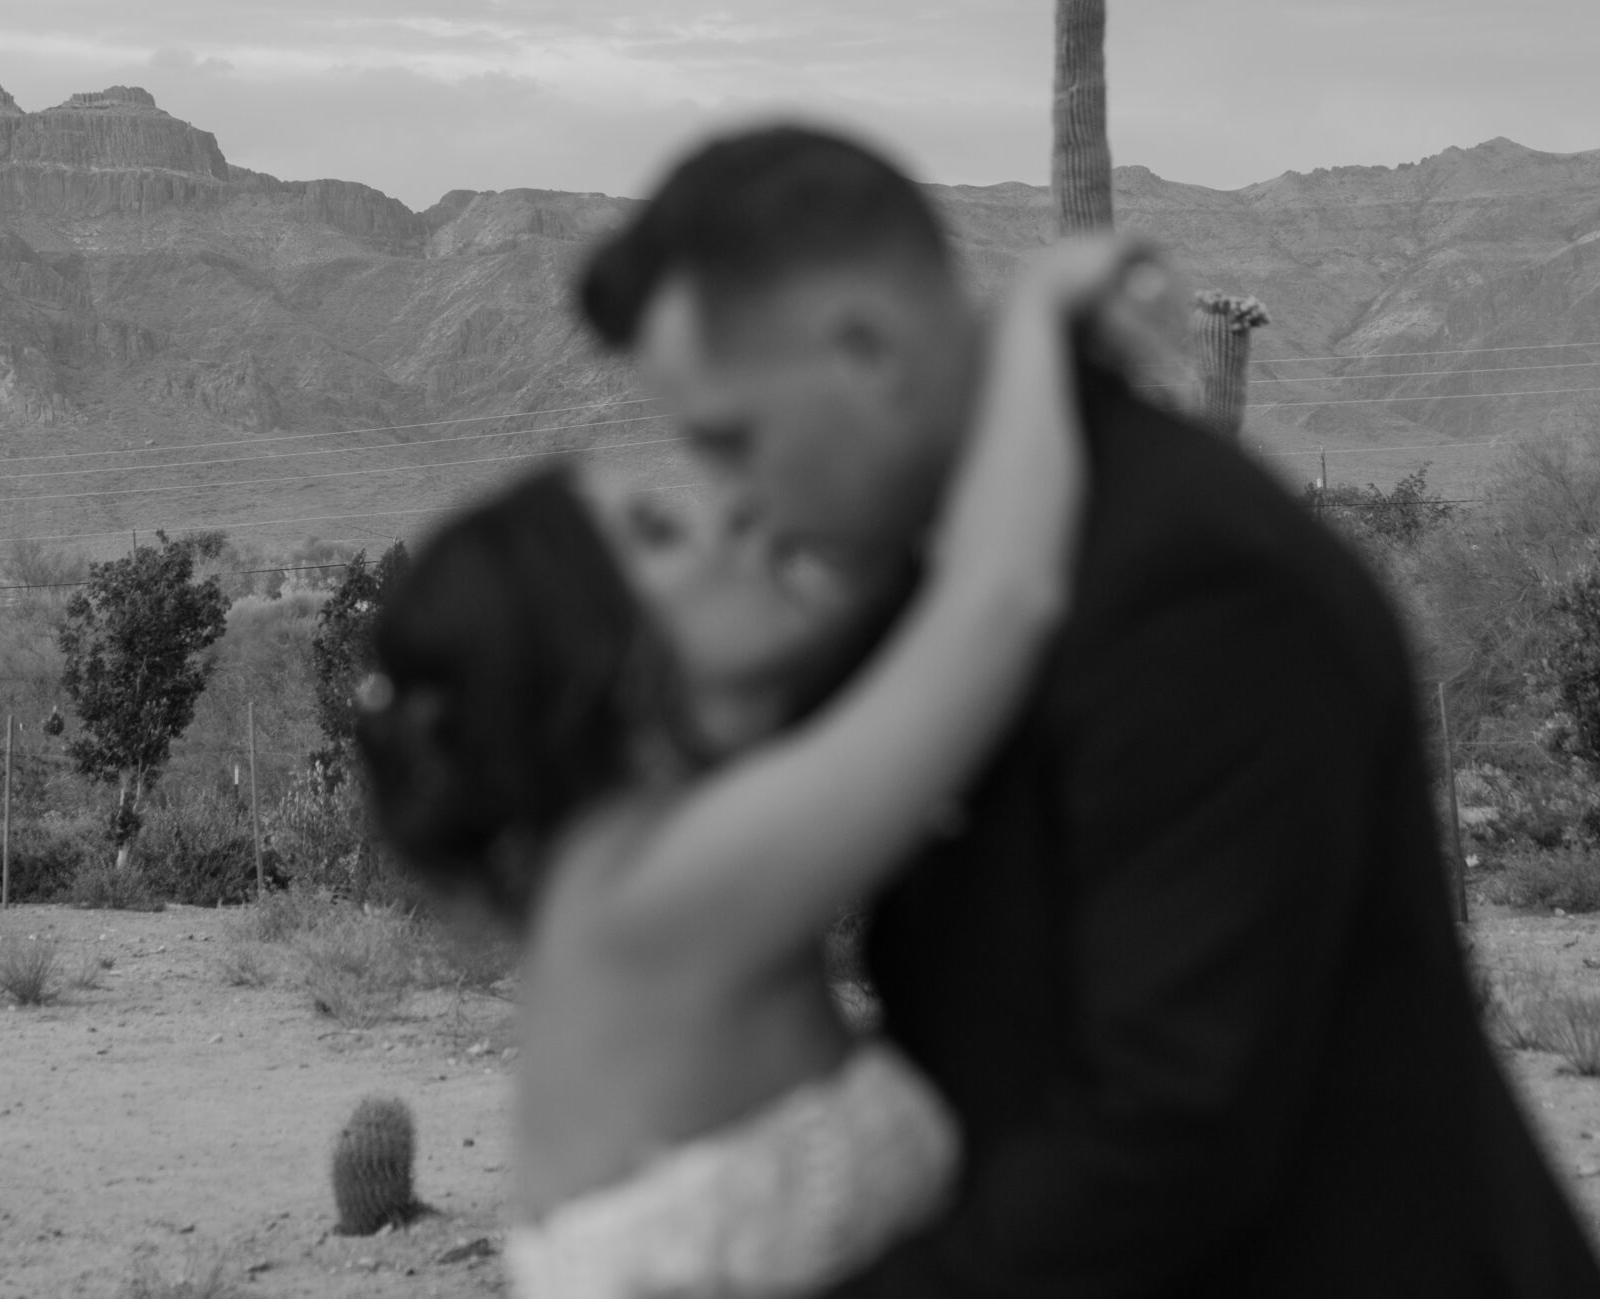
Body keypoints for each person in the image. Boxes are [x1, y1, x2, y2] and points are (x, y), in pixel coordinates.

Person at [569, 122, 1600, 1297]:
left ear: (866, 347)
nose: (730, 502)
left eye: (731, 439)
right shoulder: (944, 582)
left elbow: (1173, 1124)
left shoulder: (1196, 582)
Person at [357, 232, 1164, 1298]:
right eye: (655, 531)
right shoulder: (658, 892)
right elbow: (998, 604)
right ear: (581, 660)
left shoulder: (624, 868)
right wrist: (1027, 320)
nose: (725, 509)